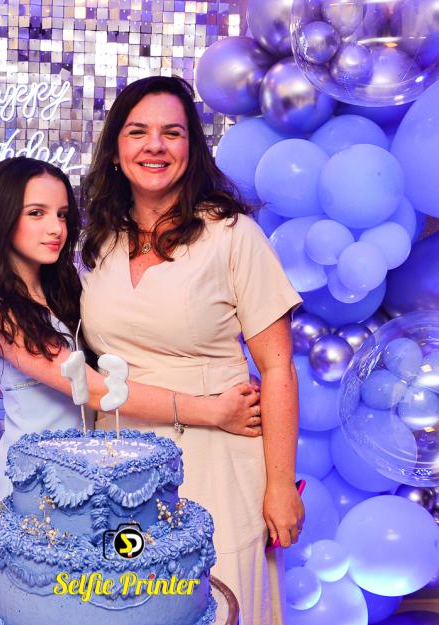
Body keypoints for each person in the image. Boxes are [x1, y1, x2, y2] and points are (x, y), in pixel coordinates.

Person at [80, 76, 304, 625]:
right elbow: (73, 351)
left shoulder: (232, 235)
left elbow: (277, 367)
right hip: (120, 464)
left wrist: (281, 485)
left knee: (220, 601)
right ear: (115, 149)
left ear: (191, 148)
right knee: (130, 610)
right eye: (138, 132)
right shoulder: (99, 242)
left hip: (216, 461)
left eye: (172, 133)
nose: (154, 146)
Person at [0, 156, 263, 539]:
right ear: (2, 218)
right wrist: (213, 410)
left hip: (80, 482)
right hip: (32, 486)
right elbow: (94, 389)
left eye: (62, 215)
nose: (56, 228)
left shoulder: (61, 292)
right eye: (36, 213)